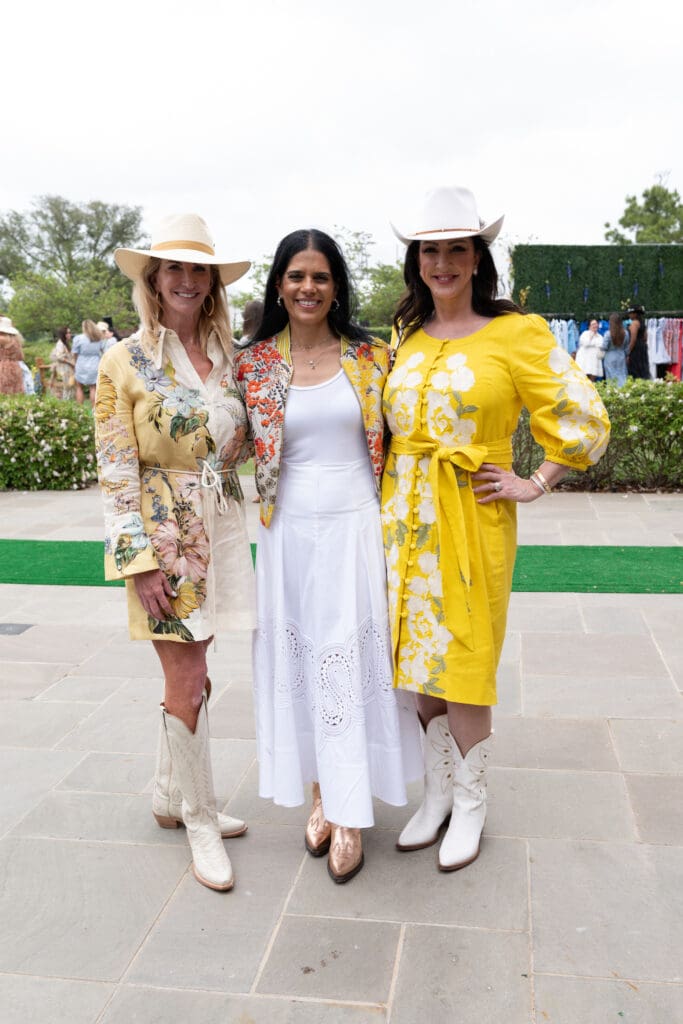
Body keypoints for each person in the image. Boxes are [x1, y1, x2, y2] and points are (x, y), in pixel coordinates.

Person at [383, 186, 610, 872]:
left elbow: (583, 418)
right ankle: (437, 795)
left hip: (472, 516)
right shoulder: (406, 335)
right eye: (431, 250)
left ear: (478, 258)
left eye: (457, 248)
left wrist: (534, 481)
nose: (443, 262)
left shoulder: (517, 332)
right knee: (417, 662)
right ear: (416, 260)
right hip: (404, 520)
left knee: (465, 662)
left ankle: (472, 800)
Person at [233, 229, 421, 884]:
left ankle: (351, 811)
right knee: (304, 660)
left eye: (318, 276)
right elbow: (223, 439)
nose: (306, 287)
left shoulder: (371, 356)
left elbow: (410, 429)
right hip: (286, 535)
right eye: (294, 276)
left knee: (351, 659)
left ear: (336, 284)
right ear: (278, 286)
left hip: (356, 528)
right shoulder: (253, 363)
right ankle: (319, 793)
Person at [95, 213, 255, 892]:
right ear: (153, 281)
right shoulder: (122, 360)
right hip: (163, 539)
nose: (186, 281)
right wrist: (136, 561)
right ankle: (197, 818)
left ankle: (169, 793)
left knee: (197, 669)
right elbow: (113, 466)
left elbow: (243, 440)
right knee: (186, 678)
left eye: (199, 270)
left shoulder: (229, 359)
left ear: (212, 284)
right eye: (174, 269)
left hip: (219, 531)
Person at [72, 319, 104, 403]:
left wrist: (75, 364)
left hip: (81, 363)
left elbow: (74, 353)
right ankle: (93, 410)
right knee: (93, 388)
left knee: (79, 387)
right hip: (95, 364)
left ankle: (80, 410)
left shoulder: (78, 338)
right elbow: (102, 351)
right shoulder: (98, 338)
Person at [0, 316, 29, 394]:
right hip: (12, 366)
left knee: (8, 390)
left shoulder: (7, 339)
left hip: (8, 368)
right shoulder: (12, 339)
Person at [602, 312, 629, 386]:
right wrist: (627, 355)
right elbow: (627, 348)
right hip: (621, 356)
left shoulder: (608, 334)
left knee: (611, 376)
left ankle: (612, 393)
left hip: (610, 357)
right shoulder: (625, 333)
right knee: (622, 375)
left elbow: (604, 347)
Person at [49, 326, 76, 399]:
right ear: (64, 334)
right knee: (67, 387)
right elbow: (59, 356)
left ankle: (70, 403)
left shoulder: (66, 343)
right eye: (68, 333)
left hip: (68, 369)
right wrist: (70, 363)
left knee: (70, 387)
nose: (70, 334)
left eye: (70, 332)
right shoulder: (60, 344)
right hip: (64, 368)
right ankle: (66, 403)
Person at [626, 305, 651, 379]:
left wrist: (628, 352)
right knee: (643, 368)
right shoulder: (642, 323)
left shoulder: (634, 323)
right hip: (642, 347)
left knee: (635, 369)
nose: (629, 315)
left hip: (635, 349)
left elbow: (633, 339)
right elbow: (645, 337)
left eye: (630, 313)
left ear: (635, 314)